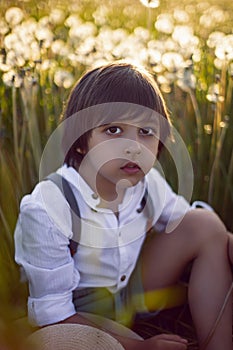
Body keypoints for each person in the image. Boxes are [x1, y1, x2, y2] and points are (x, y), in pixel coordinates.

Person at [14, 62, 233, 350]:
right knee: (68, 341)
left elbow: (186, 223)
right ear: (81, 141)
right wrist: (141, 347)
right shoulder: (48, 206)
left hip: (129, 289)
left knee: (204, 225)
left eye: (146, 131)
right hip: (77, 313)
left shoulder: (148, 183)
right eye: (113, 130)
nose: (134, 147)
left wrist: (226, 244)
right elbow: (53, 315)